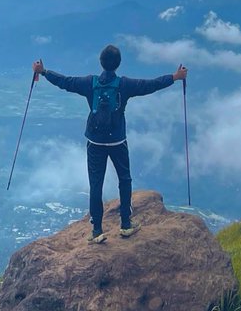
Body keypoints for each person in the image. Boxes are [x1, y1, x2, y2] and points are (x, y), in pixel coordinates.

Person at [33, 45, 187, 242]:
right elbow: (150, 85)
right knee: (124, 179)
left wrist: (44, 72)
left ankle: (97, 230)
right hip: (117, 141)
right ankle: (125, 224)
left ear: (101, 62)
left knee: (96, 184)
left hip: (95, 141)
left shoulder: (90, 83)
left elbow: (65, 82)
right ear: (118, 63)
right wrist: (175, 77)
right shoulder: (125, 85)